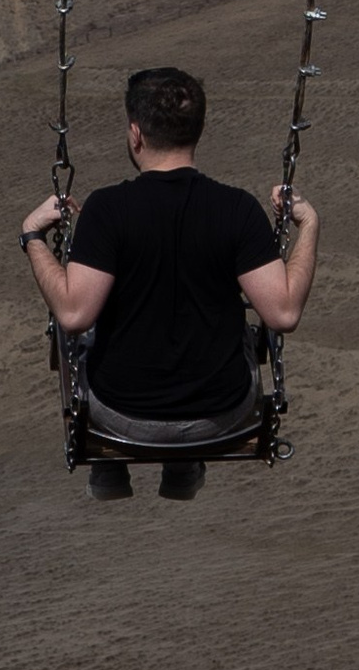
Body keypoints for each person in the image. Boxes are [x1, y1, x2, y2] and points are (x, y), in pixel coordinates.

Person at [20, 63, 318, 500]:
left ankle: (111, 465)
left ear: (135, 133)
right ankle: (183, 464)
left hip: (122, 416)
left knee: (86, 331)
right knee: (237, 323)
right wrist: (307, 225)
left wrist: (32, 236)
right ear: (197, 130)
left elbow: (73, 313)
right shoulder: (237, 210)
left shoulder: (107, 210)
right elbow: (284, 312)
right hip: (220, 414)